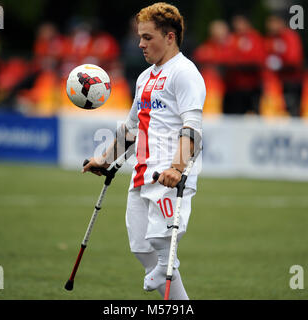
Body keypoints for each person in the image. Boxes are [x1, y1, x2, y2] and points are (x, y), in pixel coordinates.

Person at [82, 2, 205, 300]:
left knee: (161, 240)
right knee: (140, 246)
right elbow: (131, 128)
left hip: (168, 175)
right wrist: (105, 160)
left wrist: (177, 168)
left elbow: (193, 128)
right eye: (140, 37)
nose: (140, 44)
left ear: (170, 37)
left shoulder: (185, 73)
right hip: (140, 173)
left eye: (148, 37)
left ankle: (168, 268)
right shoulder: (144, 77)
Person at [223, 14, 265, 115]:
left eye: (240, 22)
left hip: (251, 86)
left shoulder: (255, 38)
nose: (238, 26)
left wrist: (238, 62)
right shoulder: (232, 38)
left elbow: (258, 58)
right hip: (233, 86)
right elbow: (224, 56)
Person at [264, 14, 303, 117]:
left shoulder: (290, 37)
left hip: (292, 81)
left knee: (293, 110)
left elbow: (294, 59)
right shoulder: (271, 38)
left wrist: (280, 64)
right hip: (279, 81)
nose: (270, 26)